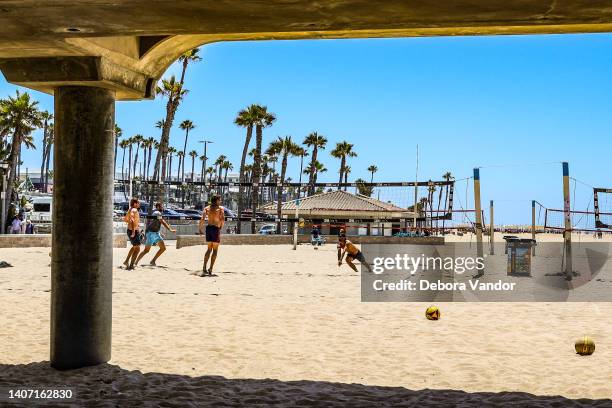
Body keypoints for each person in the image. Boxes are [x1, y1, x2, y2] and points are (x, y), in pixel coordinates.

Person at [135, 202, 176, 266]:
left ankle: (151, 261)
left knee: (161, 248)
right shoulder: (157, 213)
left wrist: (160, 232)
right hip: (152, 234)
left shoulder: (156, 213)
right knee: (147, 250)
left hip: (154, 233)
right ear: (157, 207)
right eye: (161, 206)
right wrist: (170, 229)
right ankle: (136, 262)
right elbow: (163, 222)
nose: (162, 207)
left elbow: (155, 223)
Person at [197, 194, 225, 276]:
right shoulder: (220, 209)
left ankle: (204, 267)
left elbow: (202, 219)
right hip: (216, 229)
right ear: (216, 201)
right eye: (219, 200)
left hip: (208, 228)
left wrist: (200, 229)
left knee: (209, 249)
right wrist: (220, 227)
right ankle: (211, 268)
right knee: (215, 250)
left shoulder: (207, 208)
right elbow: (222, 219)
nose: (220, 201)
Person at [122, 198, 141, 270]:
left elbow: (125, 219)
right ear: (135, 203)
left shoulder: (130, 209)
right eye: (138, 203)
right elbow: (132, 219)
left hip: (129, 230)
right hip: (133, 231)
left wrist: (131, 224)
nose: (139, 204)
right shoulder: (134, 210)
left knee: (134, 247)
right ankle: (131, 265)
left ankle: (126, 261)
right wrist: (133, 231)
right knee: (138, 248)